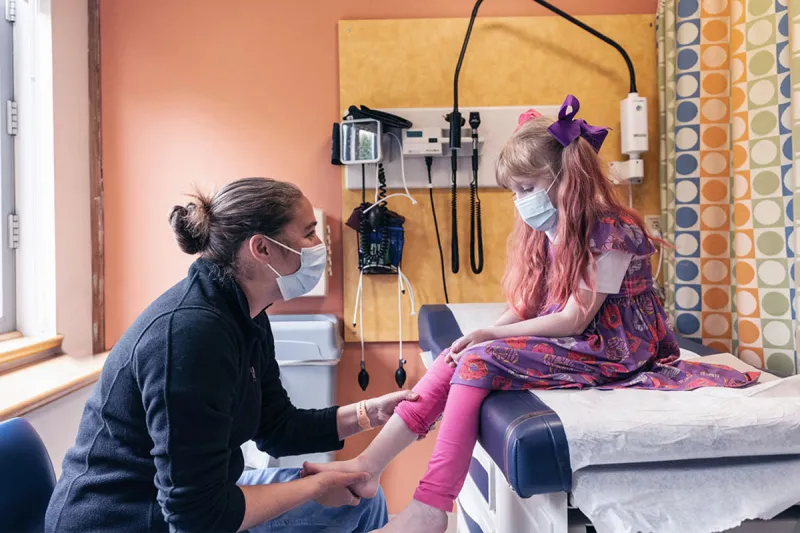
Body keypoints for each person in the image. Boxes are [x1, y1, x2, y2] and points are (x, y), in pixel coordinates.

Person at [302, 95, 760, 533]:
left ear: (568, 178)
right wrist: (479, 334)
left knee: (479, 359)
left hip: (615, 348)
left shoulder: (611, 231)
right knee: (455, 355)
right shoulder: (551, 229)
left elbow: (575, 321)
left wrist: (486, 337)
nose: (521, 200)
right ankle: (367, 465)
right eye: (516, 191)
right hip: (581, 339)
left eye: (528, 188)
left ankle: (430, 508)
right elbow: (525, 307)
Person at [45, 177, 417, 533]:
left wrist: (371, 413)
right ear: (262, 248)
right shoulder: (192, 336)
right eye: (308, 233)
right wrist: (317, 486)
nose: (319, 244)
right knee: (346, 492)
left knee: (362, 498)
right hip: (127, 520)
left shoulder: (247, 314)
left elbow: (277, 428)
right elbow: (197, 519)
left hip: (192, 507)